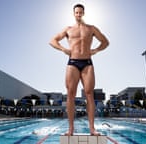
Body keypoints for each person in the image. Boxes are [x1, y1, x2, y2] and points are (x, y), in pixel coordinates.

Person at [49, 3, 109, 136]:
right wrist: (63, 49)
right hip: (73, 62)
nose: (78, 14)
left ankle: (92, 129)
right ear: (74, 14)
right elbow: (53, 40)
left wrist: (96, 50)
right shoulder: (68, 29)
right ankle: (70, 129)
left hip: (87, 62)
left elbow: (105, 42)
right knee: (70, 94)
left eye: (80, 12)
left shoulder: (91, 28)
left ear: (84, 13)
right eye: (76, 12)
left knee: (89, 94)